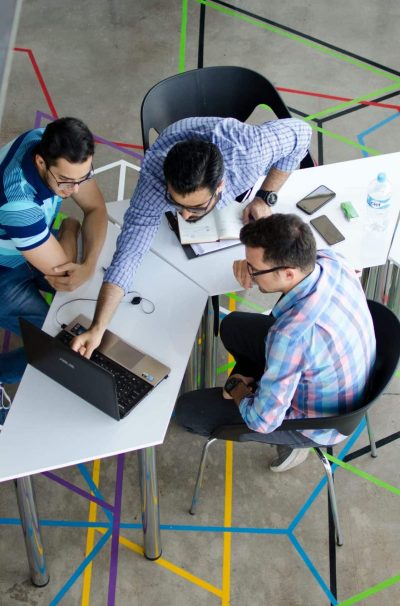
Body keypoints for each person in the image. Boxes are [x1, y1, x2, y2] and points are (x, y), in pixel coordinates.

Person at [71, 117, 312, 358]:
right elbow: (129, 252)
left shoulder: (249, 152)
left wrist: (266, 195)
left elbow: (302, 133)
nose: (185, 216)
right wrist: (98, 327)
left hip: (231, 144)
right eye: (176, 204)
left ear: (220, 186)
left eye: (195, 208)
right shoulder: (155, 177)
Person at [175, 214, 376, 472]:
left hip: (317, 423)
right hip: (344, 376)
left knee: (189, 411)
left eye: (254, 269)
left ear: (288, 273)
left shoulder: (290, 336)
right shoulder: (330, 261)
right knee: (233, 326)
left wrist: (237, 387)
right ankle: (264, 384)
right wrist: (249, 265)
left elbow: (261, 420)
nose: (249, 273)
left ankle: (292, 445)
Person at [0, 117, 108, 384]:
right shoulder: (19, 204)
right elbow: (64, 279)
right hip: (4, 275)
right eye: (66, 182)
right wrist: (70, 228)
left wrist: (89, 264)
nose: (75, 190)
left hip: (30, 246)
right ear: (40, 162)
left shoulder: (48, 142)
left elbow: (96, 209)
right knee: (56, 344)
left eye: (83, 178)